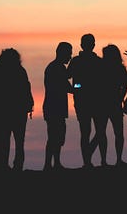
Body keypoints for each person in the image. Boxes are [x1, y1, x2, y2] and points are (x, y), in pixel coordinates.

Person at [0, 48, 34, 170]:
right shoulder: (20, 71)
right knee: (19, 142)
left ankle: (5, 164)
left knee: (5, 140)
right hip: (17, 111)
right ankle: (17, 165)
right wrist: (29, 104)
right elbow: (27, 89)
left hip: (4, 112)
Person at [68, 34, 103, 167]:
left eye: (91, 43)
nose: (89, 45)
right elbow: (67, 76)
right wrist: (78, 87)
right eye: (88, 43)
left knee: (98, 131)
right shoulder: (76, 61)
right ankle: (87, 161)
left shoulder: (98, 61)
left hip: (96, 101)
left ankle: (88, 155)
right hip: (83, 101)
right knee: (86, 131)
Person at [43, 42, 74, 170]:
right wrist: (80, 87)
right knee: (54, 136)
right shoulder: (56, 68)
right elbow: (67, 86)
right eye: (69, 54)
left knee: (57, 136)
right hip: (54, 107)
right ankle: (50, 164)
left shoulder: (54, 67)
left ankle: (54, 163)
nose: (70, 57)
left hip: (54, 107)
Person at [97, 44, 127, 165]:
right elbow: (124, 85)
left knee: (107, 133)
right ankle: (111, 159)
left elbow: (124, 85)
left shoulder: (101, 67)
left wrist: (121, 98)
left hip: (107, 103)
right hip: (110, 103)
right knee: (114, 133)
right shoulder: (119, 68)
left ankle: (109, 160)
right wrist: (121, 98)